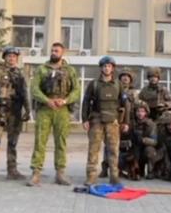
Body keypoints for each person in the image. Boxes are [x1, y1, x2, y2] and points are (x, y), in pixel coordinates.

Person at [27, 42, 81, 186]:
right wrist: (47, 100)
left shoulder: (70, 70)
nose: (53, 52)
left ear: (63, 53)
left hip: (62, 110)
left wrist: (65, 101)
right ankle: (36, 173)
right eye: (52, 50)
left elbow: (77, 90)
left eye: (56, 50)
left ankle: (60, 173)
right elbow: (34, 89)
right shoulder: (42, 69)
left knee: (61, 142)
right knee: (40, 141)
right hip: (45, 109)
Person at [0, 46, 32, 184]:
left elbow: (25, 92)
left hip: (15, 112)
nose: (11, 59)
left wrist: (28, 110)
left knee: (13, 143)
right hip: (0, 112)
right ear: (4, 57)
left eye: (14, 57)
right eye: (9, 56)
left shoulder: (21, 73)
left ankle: (12, 170)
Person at [82, 56, 129, 185]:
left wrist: (125, 122)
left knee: (113, 150)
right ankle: (91, 176)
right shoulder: (94, 84)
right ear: (101, 68)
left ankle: (114, 176)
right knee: (93, 149)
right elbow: (86, 102)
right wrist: (85, 119)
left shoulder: (118, 84)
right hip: (96, 120)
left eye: (109, 66)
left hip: (113, 121)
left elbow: (125, 104)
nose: (106, 68)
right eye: (104, 66)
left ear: (112, 68)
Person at [132, 101, 160, 179]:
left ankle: (151, 171)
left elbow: (154, 141)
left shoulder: (151, 124)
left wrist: (143, 140)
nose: (140, 113)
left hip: (145, 148)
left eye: (142, 111)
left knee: (150, 150)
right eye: (138, 111)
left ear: (146, 113)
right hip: (135, 149)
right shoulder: (133, 124)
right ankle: (136, 171)